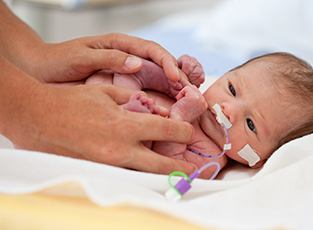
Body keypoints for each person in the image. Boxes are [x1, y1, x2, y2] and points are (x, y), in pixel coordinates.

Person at [0, 0, 199, 175]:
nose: (226, 109)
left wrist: (31, 54)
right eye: (231, 88)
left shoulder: (212, 153)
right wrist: (27, 108)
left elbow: (172, 161)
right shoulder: (196, 100)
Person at [86, 52, 313, 179]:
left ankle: (130, 109)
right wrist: (178, 74)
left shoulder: (210, 159)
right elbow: (157, 73)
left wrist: (180, 118)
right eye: (232, 89)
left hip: (101, 120)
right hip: (83, 87)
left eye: (251, 124)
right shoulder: (195, 95)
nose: (228, 109)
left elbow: (169, 170)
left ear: (257, 160)